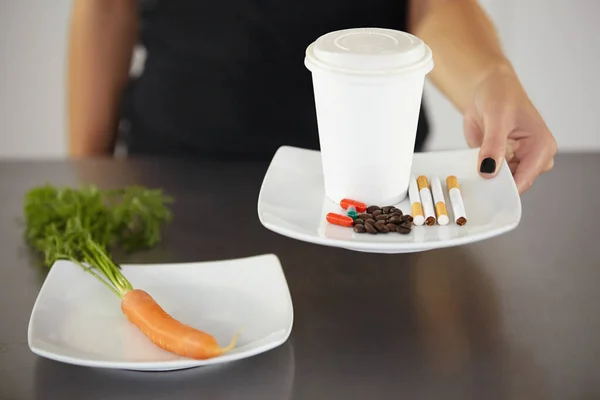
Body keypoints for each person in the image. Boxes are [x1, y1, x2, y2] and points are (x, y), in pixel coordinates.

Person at [67, 0, 557, 194]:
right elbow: (106, 7)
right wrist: (86, 171)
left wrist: (488, 77)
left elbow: (433, 5)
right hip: (173, 181)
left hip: (367, 193)